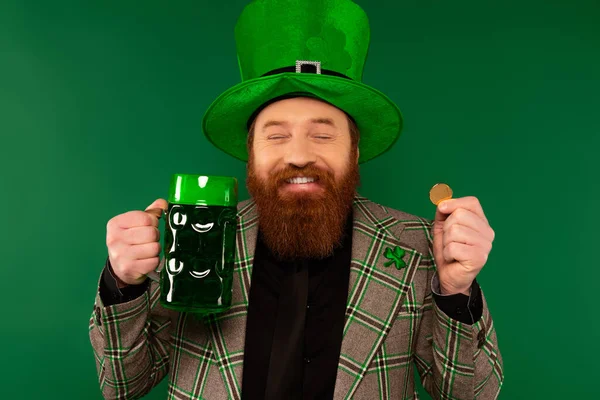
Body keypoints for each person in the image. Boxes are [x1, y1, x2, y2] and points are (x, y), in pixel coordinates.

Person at [89, 0, 503, 399]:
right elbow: (124, 385)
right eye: (276, 136)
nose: (300, 154)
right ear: (251, 153)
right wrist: (122, 285)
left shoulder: (415, 243)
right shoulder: (198, 235)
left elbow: (470, 395)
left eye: (323, 135)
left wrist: (455, 290)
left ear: (354, 153)